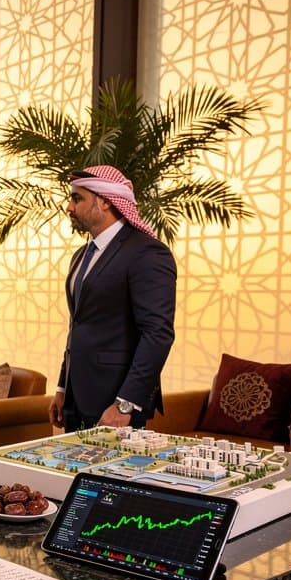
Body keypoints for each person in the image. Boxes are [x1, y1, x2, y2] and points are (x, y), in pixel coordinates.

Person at [48, 165, 177, 432]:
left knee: (110, 475)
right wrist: (63, 387)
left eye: (77, 198)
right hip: (76, 398)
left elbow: (157, 334)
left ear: (105, 201)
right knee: (70, 474)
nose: (68, 207)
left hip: (116, 401)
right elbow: (78, 326)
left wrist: (125, 404)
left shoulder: (147, 253)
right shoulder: (81, 255)